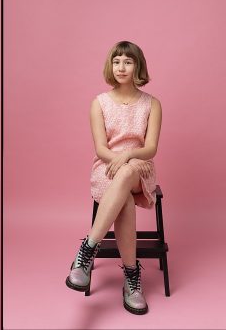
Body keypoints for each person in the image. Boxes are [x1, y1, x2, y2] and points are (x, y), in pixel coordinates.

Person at [65, 41, 162, 315]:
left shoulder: (152, 104)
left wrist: (128, 156)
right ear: (111, 65)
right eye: (117, 61)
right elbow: (101, 149)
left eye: (128, 62)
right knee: (125, 203)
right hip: (105, 168)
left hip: (140, 169)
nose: (121, 67)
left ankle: (86, 250)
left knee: (130, 170)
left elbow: (151, 147)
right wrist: (118, 160)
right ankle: (132, 280)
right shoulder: (99, 103)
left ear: (137, 66)